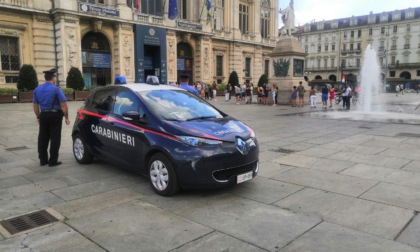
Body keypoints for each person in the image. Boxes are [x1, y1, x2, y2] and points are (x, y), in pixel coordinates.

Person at [32, 68, 70, 167]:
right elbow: (63, 105)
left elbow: (35, 106)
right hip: (55, 115)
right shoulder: (57, 89)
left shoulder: (37, 89)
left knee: (42, 138)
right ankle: (53, 161)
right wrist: (66, 117)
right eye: (55, 77)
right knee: (55, 138)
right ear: (53, 78)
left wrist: (38, 117)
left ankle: (43, 160)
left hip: (43, 115)